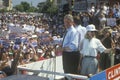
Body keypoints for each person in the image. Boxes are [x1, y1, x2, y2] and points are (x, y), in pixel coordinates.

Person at [62, 14, 79, 79]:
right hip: (66, 55)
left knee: (71, 74)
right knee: (66, 72)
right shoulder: (67, 31)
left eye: (67, 22)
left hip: (71, 56)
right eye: (65, 22)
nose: (66, 24)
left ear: (72, 22)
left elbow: (73, 46)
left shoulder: (73, 31)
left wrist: (62, 49)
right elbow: (65, 42)